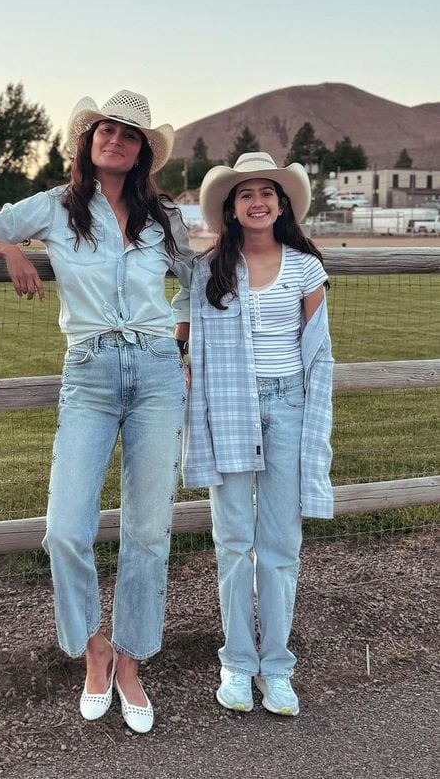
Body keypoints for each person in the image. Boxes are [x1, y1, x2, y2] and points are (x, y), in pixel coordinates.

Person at [0, 91, 194, 733]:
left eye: (130, 134)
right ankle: (94, 647)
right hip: (88, 372)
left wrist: (182, 339)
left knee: (147, 530)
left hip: (156, 374)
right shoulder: (56, 207)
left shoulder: (160, 215)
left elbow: (194, 281)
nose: (116, 140)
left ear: (143, 152)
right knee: (65, 527)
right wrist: (9, 251)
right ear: (87, 141)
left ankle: (133, 659)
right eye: (106, 130)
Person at [183, 152, 334, 717]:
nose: (257, 202)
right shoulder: (209, 272)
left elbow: (318, 352)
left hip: (287, 404)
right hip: (229, 406)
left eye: (267, 192)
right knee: (232, 540)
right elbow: (186, 333)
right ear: (232, 206)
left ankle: (277, 665)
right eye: (245, 194)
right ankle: (236, 662)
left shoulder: (304, 268)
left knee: (279, 544)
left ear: (282, 204)